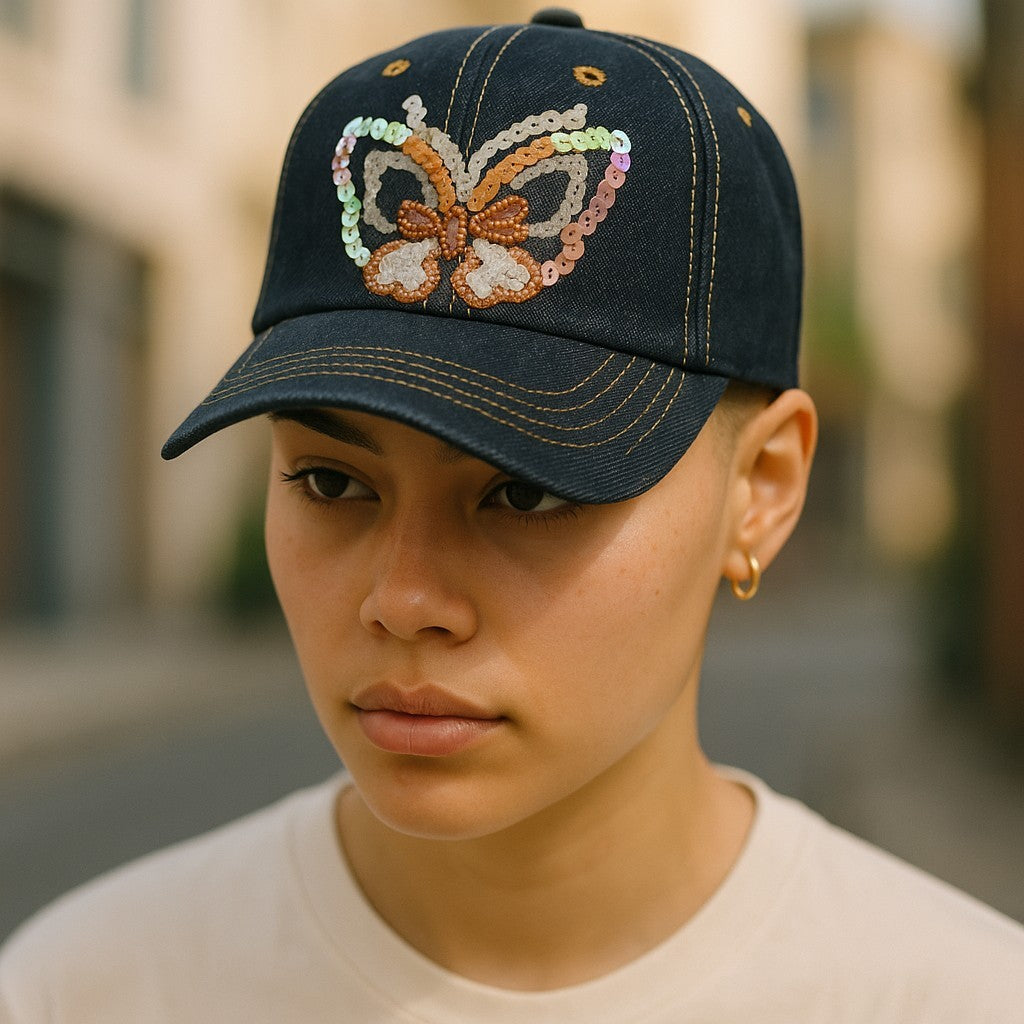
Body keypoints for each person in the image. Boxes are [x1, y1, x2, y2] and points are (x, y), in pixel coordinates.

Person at [1, 9, 1021, 1022]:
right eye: (330, 481)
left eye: (525, 489)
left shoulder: (951, 995)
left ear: (760, 488)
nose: (404, 600)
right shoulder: (88, 985)